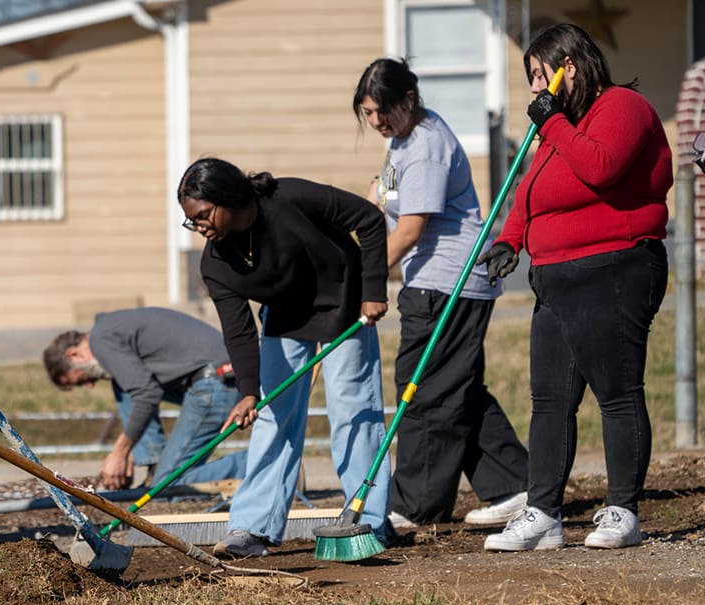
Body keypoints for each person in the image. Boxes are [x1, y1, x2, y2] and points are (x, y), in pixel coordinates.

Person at [478, 23, 671, 552]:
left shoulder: (621, 107)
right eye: (531, 78)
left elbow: (601, 168)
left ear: (572, 65)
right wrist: (510, 240)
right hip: (554, 276)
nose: (536, 88)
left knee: (616, 393)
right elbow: (531, 188)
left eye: (542, 74)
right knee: (550, 400)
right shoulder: (559, 127)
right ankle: (542, 514)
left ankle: (622, 511)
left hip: (613, 267)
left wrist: (555, 122)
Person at [177, 158, 390, 558]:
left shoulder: (288, 196)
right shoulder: (216, 264)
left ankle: (368, 519)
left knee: (351, 409)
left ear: (228, 199)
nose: (199, 227)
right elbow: (239, 332)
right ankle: (253, 528)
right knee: (274, 414)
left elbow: (369, 219)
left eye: (203, 216)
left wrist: (373, 290)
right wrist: (246, 392)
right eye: (192, 221)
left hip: (343, 302)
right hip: (286, 314)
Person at [353, 58, 529, 529]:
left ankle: (417, 505)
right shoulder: (404, 140)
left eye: (381, 111)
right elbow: (384, 194)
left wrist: (366, 281)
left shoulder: (427, 144)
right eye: (367, 113)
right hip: (434, 281)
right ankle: (515, 484)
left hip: (447, 283)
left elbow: (411, 229)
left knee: (425, 389)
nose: (375, 122)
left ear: (408, 99)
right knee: (456, 386)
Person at [44, 307, 247, 490]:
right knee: (122, 384)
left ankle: (263, 461)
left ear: (74, 355)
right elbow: (140, 389)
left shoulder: (101, 339)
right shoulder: (110, 331)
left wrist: (120, 453)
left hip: (217, 381)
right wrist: (133, 453)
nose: (90, 384)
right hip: (213, 378)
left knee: (167, 486)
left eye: (80, 380)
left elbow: (146, 393)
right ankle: (155, 464)